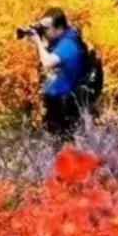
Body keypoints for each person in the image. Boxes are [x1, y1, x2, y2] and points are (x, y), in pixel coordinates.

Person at [28, 8, 85, 138]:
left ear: (59, 28)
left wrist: (38, 42)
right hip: (57, 101)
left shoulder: (68, 44)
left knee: (64, 144)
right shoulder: (62, 39)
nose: (43, 31)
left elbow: (47, 62)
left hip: (65, 105)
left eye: (46, 28)